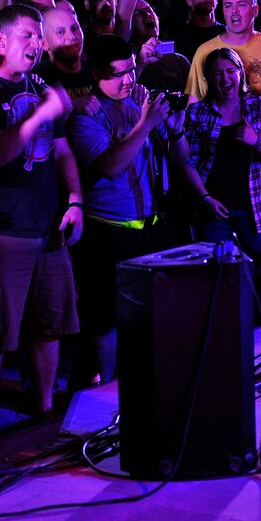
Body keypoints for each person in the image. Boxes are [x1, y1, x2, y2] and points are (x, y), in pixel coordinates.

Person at [0, 4, 82, 438]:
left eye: (39, 36)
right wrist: (39, 117)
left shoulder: (41, 84)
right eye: (28, 35)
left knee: (50, 323)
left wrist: (76, 199)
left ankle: (45, 409)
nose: (37, 44)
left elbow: (63, 150)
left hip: (48, 227)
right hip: (4, 230)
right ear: (2, 41)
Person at [65, 35, 187, 385]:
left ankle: (140, 390)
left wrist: (175, 133)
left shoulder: (137, 105)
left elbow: (179, 160)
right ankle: (99, 395)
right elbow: (109, 167)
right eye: (117, 74)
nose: (127, 80)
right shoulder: (87, 115)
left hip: (148, 227)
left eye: (132, 71)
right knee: (105, 322)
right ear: (95, 74)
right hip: (107, 231)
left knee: (148, 317)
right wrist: (146, 124)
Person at [183, 47, 261, 313]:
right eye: (217, 73)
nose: (225, 78)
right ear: (208, 78)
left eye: (230, 71)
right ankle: (230, 345)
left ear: (241, 73)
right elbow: (187, 162)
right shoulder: (197, 113)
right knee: (222, 284)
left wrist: (257, 141)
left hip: (258, 211)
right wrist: (204, 198)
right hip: (216, 212)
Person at [185, 0, 261, 100]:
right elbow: (193, 105)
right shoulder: (204, 51)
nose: (234, 11)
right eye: (228, 5)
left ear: (255, 10)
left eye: (241, 5)